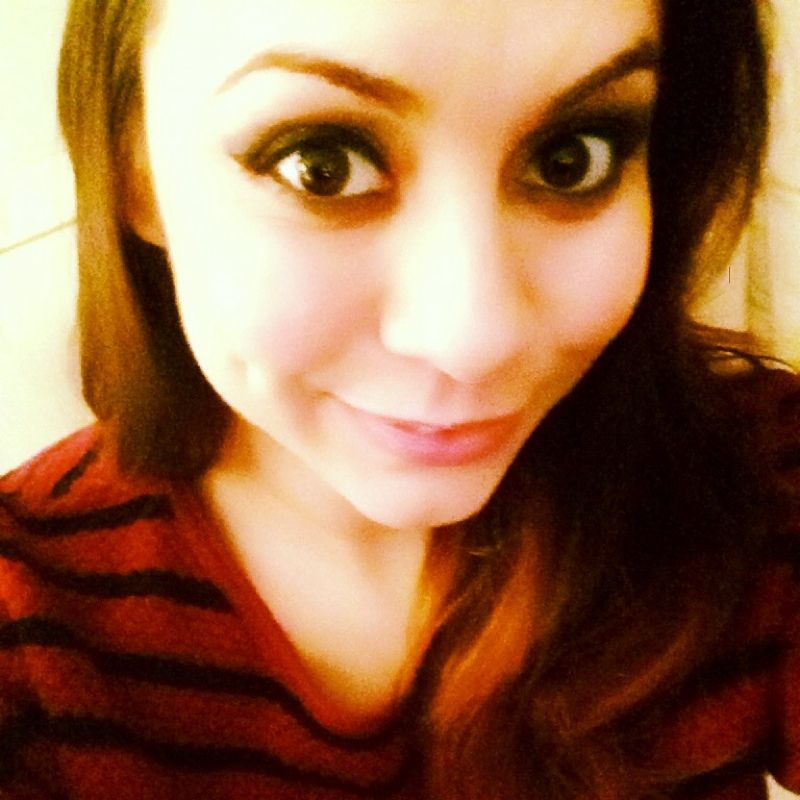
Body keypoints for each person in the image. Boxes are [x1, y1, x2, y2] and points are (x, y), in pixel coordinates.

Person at [0, 0, 797, 798]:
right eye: (323, 163)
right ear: (135, 170)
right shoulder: (25, 621)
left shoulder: (762, 478)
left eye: (571, 158)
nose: (475, 339)